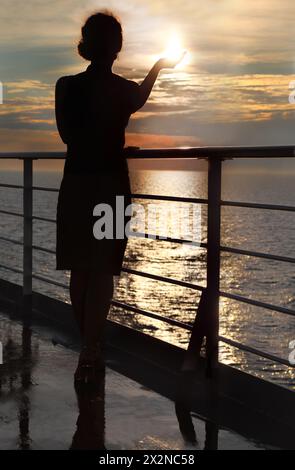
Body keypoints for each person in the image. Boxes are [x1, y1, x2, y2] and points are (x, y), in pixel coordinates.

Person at [55, 11, 185, 384]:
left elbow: (68, 135)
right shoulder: (123, 90)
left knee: (80, 270)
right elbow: (141, 96)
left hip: (77, 183)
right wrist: (160, 64)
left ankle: (88, 348)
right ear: (116, 48)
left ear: (85, 45)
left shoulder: (65, 86)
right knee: (104, 269)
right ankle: (91, 349)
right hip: (111, 183)